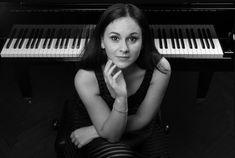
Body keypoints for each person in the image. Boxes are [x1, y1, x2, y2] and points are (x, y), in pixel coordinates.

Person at [67, 3, 171, 158]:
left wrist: (96, 131)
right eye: (115, 38)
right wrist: (121, 97)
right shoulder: (85, 78)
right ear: (102, 41)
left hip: (137, 127)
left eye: (133, 39)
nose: (124, 48)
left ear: (143, 42)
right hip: (94, 121)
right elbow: (113, 136)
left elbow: (142, 118)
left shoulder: (160, 68)